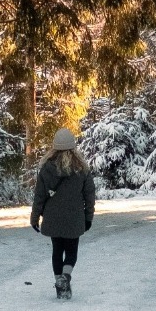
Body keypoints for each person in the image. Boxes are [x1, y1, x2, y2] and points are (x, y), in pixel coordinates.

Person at [30, 127, 96, 300]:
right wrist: (89, 216)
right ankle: (65, 278)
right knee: (71, 252)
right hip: (74, 218)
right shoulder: (81, 169)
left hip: (52, 218)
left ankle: (60, 285)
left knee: (57, 251)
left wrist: (35, 217)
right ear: (73, 147)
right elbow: (89, 195)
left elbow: (39, 196)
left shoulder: (46, 168)